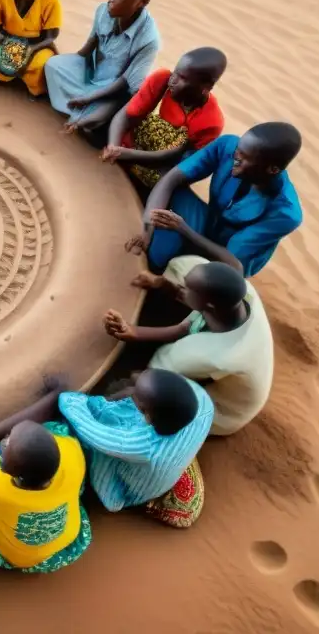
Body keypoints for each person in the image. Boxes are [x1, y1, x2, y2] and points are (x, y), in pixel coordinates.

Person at [106, 258, 273, 436]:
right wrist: (135, 331)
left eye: (188, 290)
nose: (183, 291)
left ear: (209, 305)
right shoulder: (240, 299)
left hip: (223, 411)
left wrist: (136, 378)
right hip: (222, 377)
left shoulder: (215, 355)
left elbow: (154, 376)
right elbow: (183, 328)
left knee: (134, 389)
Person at [127, 121, 303, 277]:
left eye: (245, 158)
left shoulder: (285, 213)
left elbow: (233, 262)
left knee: (208, 282)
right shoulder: (227, 146)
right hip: (208, 222)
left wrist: (184, 230)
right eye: (238, 151)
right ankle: (158, 262)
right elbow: (172, 179)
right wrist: (147, 230)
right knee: (166, 181)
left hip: (227, 255)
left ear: (272, 169)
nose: (235, 158)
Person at [0, 380, 91, 573]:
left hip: (17, 558)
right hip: (66, 543)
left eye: (6, 443)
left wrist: (10, 430)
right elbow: (45, 439)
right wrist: (54, 397)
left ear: (5, 469)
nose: (5, 439)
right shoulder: (72, 454)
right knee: (57, 431)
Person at [59, 369, 214, 528]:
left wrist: (65, 395)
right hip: (172, 456)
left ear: (147, 416)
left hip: (134, 489)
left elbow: (85, 423)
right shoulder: (204, 402)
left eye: (137, 399)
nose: (134, 376)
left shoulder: (141, 445)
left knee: (86, 436)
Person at [44, 0, 160, 135]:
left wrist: (90, 97)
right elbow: (87, 49)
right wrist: (65, 62)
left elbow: (127, 85)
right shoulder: (102, 11)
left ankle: (83, 114)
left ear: (142, 2)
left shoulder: (149, 40)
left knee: (108, 108)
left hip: (113, 90)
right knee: (53, 65)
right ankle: (81, 110)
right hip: (92, 77)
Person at [102, 47, 227, 187]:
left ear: (206, 87)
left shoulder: (210, 121)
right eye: (175, 72)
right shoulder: (161, 80)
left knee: (168, 186)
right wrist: (113, 145)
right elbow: (126, 115)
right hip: (127, 144)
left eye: (182, 78)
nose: (172, 80)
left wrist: (127, 154)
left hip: (156, 166)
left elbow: (177, 158)